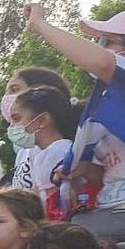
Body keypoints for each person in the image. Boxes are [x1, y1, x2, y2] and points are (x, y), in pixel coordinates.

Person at [22, 5, 125, 240]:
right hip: (114, 213)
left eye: (107, 42)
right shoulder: (107, 104)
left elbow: (104, 63)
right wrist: (82, 170)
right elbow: (114, 170)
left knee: (51, 243)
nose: (97, 49)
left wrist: (40, 25)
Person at [6, 87, 78, 217]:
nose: (11, 127)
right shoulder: (40, 153)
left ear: (42, 121)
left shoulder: (59, 151)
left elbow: (53, 201)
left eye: (16, 119)